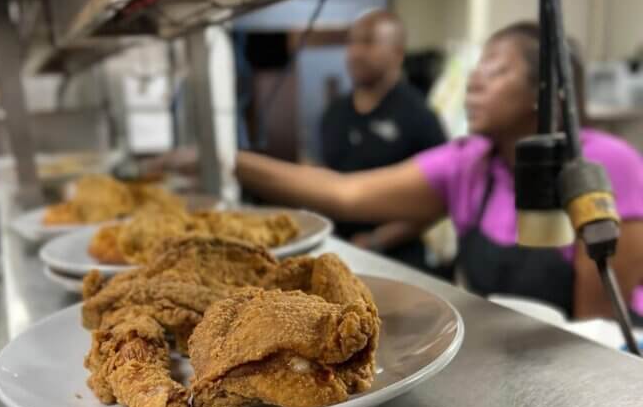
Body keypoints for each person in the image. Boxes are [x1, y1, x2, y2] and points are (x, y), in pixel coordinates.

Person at [237, 22, 643, 321]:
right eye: (477, 69)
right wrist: (231, 160)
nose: (474, 83)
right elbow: (346, 193)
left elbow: (598, 322)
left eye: (496, 71)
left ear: (547, 91)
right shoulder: (470, 161)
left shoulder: (607, 163)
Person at [316, 9, 446, 269]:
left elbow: (440, 199)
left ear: (397, 52)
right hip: (336, 255)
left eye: (368, 42)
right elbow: (323, 177)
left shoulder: (419, 115)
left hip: (397, 261)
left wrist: (376, 240)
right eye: (351, 42)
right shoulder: (334, 112)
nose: (355, 52)